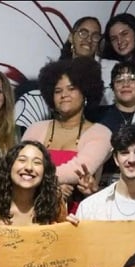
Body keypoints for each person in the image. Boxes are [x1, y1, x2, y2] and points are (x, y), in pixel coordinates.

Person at [21, 57, 112, 214]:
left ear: (85, 92)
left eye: (71, 88)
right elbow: (19, 168)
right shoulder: (35, 129)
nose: (64, 94)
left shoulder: (101, 133)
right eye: (58, 90)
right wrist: (51, 188)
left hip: (77, 218)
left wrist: (39, 179)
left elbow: (78, 171)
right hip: (31, 213)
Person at [0, 140, 66, 247]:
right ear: (9, 167)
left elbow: (64, 253)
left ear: (45, 172)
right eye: (22, 160)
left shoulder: (56, 207)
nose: (29, 168)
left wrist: (72, 231)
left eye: (37, 162)